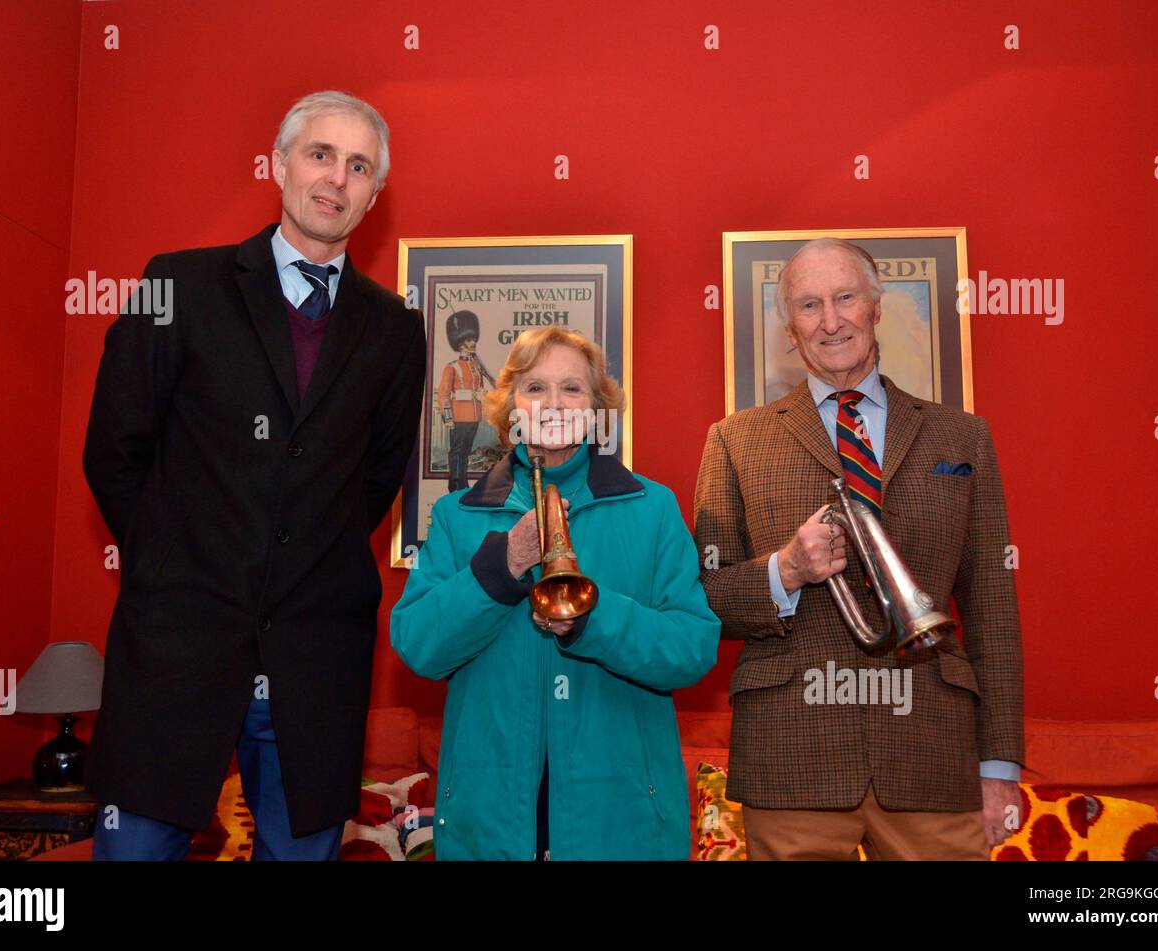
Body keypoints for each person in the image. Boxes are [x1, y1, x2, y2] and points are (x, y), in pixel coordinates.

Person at [82, 90, 426, 860]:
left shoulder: (397, 330)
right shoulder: (178, 285)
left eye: (359, 166)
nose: (336, 177)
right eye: (320, 154)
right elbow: (113, 450)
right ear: (278, 165)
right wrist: (171, 564)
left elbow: (373, 482)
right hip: (175, 648)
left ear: (373, 195)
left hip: (315, 661)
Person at [693, 237, 1023, 860]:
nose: (831, 320)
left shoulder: (963, 437)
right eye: (809, 305)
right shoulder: (735, 440)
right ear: (790, 328)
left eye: (845, 298)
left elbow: (993, 608)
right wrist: (786, 570)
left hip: (933, 752)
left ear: (875, 307)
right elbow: (706, 597)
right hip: (793, 753)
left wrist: (998, 765)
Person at [391, 327, 720, 860]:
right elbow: (419, 646)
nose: (554, 403)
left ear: (597, 408)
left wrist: (593, 619)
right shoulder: (456, 515)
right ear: (510, 407)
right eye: (535, 388)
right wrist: (502, 566)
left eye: (572, 388)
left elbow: (692, 649)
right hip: (488, 819)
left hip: (621, 820)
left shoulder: (653, 508)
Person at [437, 309, 494, 492]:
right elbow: (444, 394)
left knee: (466, 451)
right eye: (469, 340)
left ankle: (462, 481)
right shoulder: (452, 367)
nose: (473, 342)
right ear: (461, 343)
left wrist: (483, 395)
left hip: (473, 416)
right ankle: (455, 482)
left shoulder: (476, 367)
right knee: (457, 451)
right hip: (459, 415)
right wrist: (448, 418)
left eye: (474, 339)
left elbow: (481, 389)